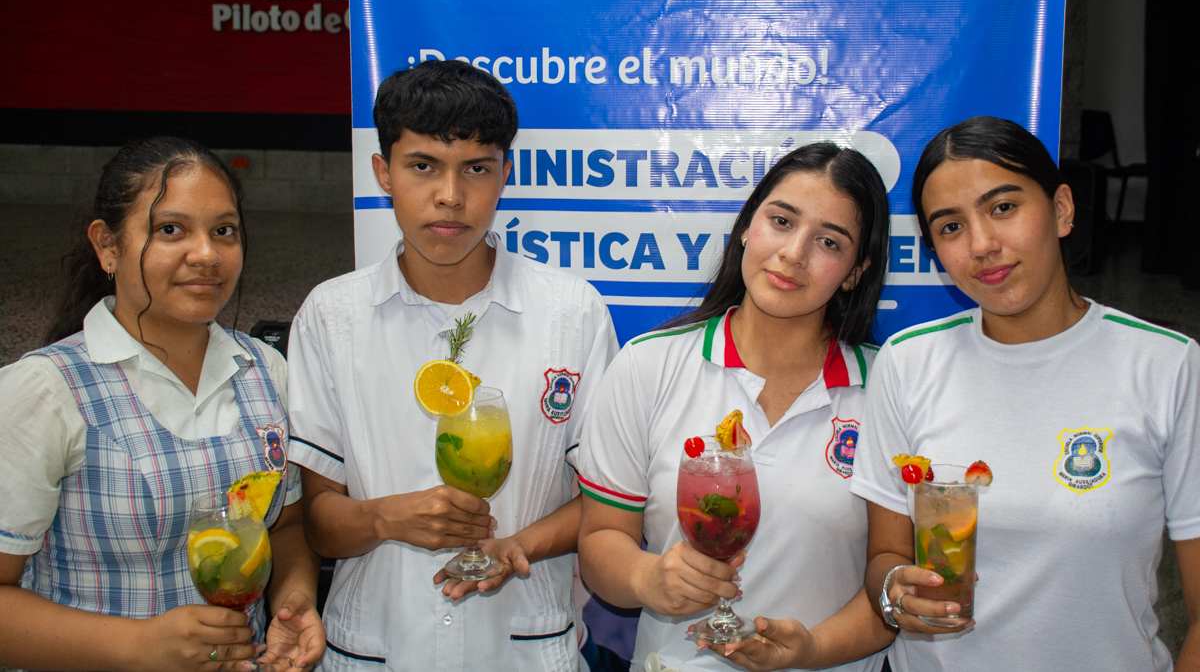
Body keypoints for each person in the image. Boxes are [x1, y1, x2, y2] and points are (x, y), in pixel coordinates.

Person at [287, 59, 619, 670]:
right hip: (375, 647)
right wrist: (386, 518)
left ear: (505, 174)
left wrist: (518, 545)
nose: (450, 195)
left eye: (476, 168)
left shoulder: (573, 313)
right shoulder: (332, 317)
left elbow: (607, 505)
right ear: (382, 172)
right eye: (423, 166)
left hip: (525, 649)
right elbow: (319, 522)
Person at [851, 116, 1200, 671]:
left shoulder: (1167, 365)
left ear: (1061, 209)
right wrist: (896, 590)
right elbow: (885, 556)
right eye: (951, 226)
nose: (982, 245)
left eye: (1003, 207)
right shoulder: (907, 361)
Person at [0, 136, 325, 671]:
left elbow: (286, 526)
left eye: (224, 231)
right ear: (107, 246)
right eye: (170, 229)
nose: (206, 255)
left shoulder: (265, 371)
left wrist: (294, 599)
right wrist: (138, 645)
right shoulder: (46, 390)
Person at [578, 142, 895, 671]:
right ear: (747, 227)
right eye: (781, 221)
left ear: (855, 271)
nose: (793, 253)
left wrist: (812, 650)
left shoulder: (887, 386)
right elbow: (601, 541)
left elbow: (894, 584)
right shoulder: (649, 365)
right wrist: (646, 578)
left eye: (829, 242)